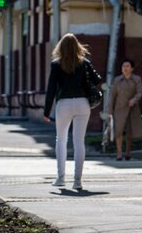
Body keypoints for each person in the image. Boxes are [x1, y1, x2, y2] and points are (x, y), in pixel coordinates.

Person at [43, 33, 102, 191]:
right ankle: (77, 181)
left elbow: (51, 89)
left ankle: (61, 178)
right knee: (79, 142)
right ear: (77, 46)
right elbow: (97, 79)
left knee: (61, 140)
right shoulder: (84, 63)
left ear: (60, 47)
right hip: (82, 103)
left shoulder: (56, 64)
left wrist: (46, 111)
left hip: (64, 104)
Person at [108, 58, 142, 160]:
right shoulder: (117, 80)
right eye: (123, 66)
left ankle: (128, 152)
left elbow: (139, 92)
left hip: (132, 108)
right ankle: (119, 153)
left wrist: (134, 100)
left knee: (129, 132)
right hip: (119, 109)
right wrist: (110, 110)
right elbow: (112, 96)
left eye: (127, 66)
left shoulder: (137, 79)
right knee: (118, 131)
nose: (125, 68)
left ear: (132, 68)